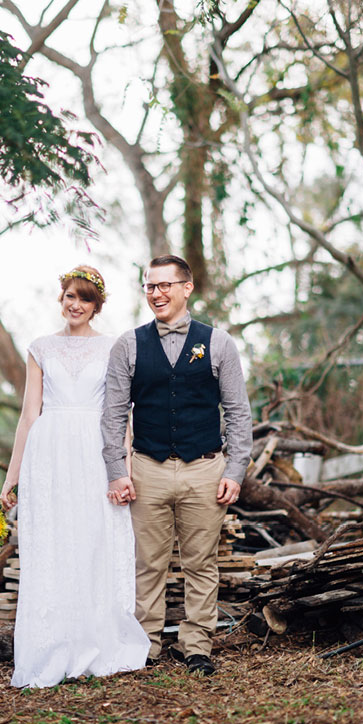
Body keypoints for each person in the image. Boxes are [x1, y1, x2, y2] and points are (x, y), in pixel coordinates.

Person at [101, 255, 252, 676]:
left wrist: (234, 471)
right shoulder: (128, 345)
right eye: (150, 286)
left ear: (187, 288)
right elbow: (113, 414)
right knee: (147, 562)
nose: (157, 293)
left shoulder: (219, 342)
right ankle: (143, 646)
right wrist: (117, 469)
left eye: (166, 285)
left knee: (201, 562)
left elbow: (238, 412)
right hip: (146, 467)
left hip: (204, 468)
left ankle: (196, 646)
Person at [0, 265, 150, 688]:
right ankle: (53, 645)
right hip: (49, 452)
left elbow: (122, 416)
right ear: (60, 298)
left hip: (94, 449)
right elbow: (29, 415)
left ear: (96, 306)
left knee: (93, 539)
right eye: (69, 296)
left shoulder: (115, 347)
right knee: (53, 543)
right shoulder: (41, 347)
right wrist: (12, 477)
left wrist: (125, 470)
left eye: (84, 298)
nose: (75, 304)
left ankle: (96, 641)